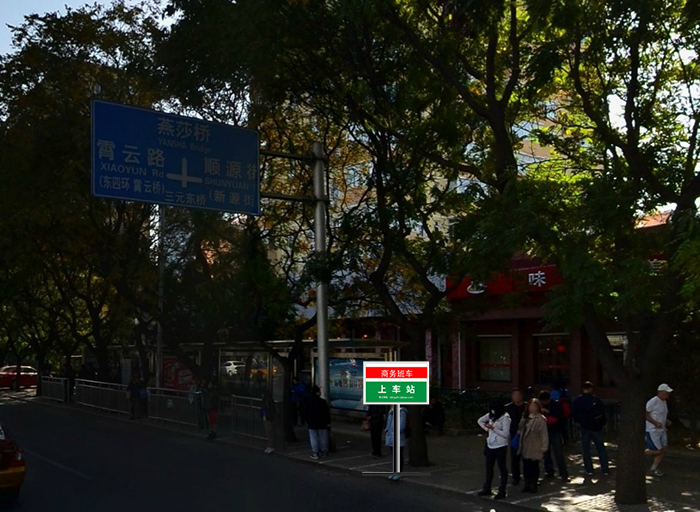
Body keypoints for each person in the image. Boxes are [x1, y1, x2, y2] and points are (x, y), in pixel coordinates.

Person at [573, 381, 610, 476]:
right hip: (596, 427)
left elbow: (575, 414)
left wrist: (579, 422)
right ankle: (605, 469)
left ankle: (589, 469)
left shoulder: (578, 401)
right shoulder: (596, 400)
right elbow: (602, 413)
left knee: (586, 449)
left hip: (584, 427)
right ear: (591, 389)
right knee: (601, 448)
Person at [477, 402, 511, 500]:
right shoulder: (491, 415)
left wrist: (493, 429)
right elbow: (480, 420)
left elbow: (506, 434)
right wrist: (487, 429)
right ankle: (487, 487)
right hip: (490, 445)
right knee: (489, 467)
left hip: (501, 446)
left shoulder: (505, 418)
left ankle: (502, 490)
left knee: (502, 467)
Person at [518, 399, 549, 493]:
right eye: (531, 406)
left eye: (534, 406)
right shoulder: (526, 417)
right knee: (526, 465)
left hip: (535, 444)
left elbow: (544, 433)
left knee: (534, 465)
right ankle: (526, 483)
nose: (532, 408)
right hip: (525, 444)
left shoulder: (540, 419)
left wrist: (544, 446)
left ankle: (533, 484)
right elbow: (520, 429)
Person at [540, 391, 570, 482]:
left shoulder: (556, 405)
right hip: (545, 432)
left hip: (555, 431)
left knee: (558, 453)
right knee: (546, 453)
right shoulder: (541, 406)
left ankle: (563, 473)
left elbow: (557, 418)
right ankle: (549, 471)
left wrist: (547, 413)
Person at [645, 383, 673, 477]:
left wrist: (666, 421)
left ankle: (654, 468)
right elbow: (645, 414)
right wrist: (654, 423)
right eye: (666, 393)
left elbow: (660, 414)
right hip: (653, 430)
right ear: (660, 392)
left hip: (662, 429)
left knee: (664, 449)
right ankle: (639, 453)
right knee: (658, 450)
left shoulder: (664, 402)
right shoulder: (653, 401)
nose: (668, 395)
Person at [505, 388, 526, 485]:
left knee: (527, 457)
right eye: (514, 395)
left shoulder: (527, 407)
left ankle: (529, 477)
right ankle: (515, 477)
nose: (516, 397)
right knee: (514, 457)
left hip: (526, 434)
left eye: (518, 395)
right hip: (514, 434)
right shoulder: (507, 408)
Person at [305, 385, 331, 460]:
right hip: (322, 422)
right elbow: (327, 413)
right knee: (323, 437)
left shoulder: (308, 402)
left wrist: (307, 421)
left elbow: (306, 412)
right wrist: (328, 422)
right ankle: (324, 451)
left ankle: (315, 452)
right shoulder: (322, 402)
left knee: (313, 438)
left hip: (312, 422)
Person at [385, 406, 408, 481]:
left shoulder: (402, 411)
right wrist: (387, 430)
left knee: (398, 455)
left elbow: (402, 425)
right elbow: (388, 422)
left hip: (398, 436)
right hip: (391, 436)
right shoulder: (391, 411)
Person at [260, 388, 276, 454]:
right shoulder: (266, 401)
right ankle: (269, 445)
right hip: (266, 417)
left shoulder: (268, 401)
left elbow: (271, 410)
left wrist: (268, 417)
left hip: (268, 418)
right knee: (268, 432)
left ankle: (271, 446)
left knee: (270, 433)